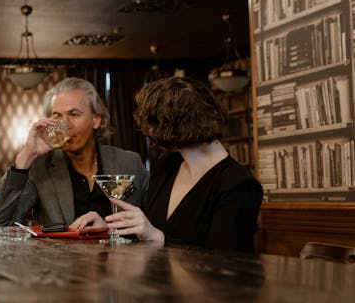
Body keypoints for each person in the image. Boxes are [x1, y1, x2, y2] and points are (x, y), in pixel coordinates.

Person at [91, 76, 262, 252]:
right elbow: (147, 234)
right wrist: (108, 229)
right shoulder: (169, 165)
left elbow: (223, 263)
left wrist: (159, 237)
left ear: (168, 126)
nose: (147, 131)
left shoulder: (239, 185)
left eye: (151, 123)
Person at [0, 77, 148, 229]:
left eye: (74, 114)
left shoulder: (130, 163)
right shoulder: (40, 168)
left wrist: (107, 230)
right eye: (57, 116)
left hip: (123, 260)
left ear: (96, 120)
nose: (65, 124)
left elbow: (154, 225)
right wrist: (26, 156)